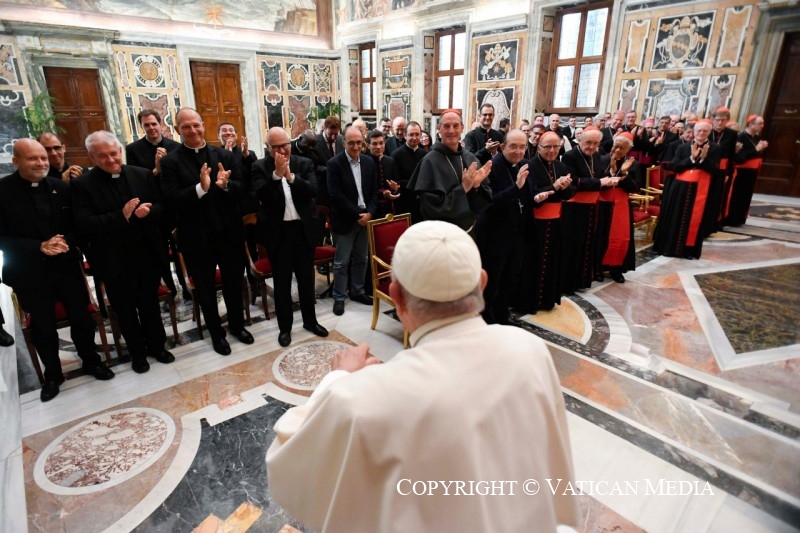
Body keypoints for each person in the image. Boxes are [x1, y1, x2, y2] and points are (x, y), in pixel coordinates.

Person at [266, 220, 577, 532]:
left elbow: (287, 466)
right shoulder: (530, 351)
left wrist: (337, 380)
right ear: (481, 283)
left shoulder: (362, 398)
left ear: (396, 297)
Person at [0, 139, 114, 401]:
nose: (41, 162)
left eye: (43, 158)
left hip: (65, 267)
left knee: (81, 319)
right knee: (43, 327)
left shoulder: (61, 188)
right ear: (16, 162)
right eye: (33, 158)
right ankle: (52, 374)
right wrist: (38, 246)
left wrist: (65, 242)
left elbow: (79, 225)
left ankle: (91, 361)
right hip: (29, 272)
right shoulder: (3, 191)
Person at [72, 131, 174, 373]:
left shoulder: (142, 174)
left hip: (146, 254)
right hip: (112, 259)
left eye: (114, 153)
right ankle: (138, 353)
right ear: (92, 157)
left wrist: (149, 211)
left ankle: (157, 346)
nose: (111, 160)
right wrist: (122, 216)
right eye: (103, 156)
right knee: (125, 309)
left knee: (149, 304)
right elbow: (84, 223)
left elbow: (162, 206)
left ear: (120, 151)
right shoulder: (82, 185)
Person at [159, 108, 254, 355]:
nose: (192, 131)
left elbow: (243, 189)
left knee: (234, 283)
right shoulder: (171, 161)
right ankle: (217, 333)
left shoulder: (224, 155)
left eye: (196, 125)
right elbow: (170, 198)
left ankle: (237, 326)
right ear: (177, 129)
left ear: (203, 125)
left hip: (229, 233)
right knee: (205, 289)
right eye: (186, 127)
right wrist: (200, 189)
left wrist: (226, 186)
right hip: (196, 238)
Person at [252, 127, 329, 347]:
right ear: (268, 148)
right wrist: (276, 175)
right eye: (276, 146)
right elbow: (260, 194)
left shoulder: (303, 163)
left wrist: (290, 177)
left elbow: (312, 190)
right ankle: (285, 328)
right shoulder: (260, 167)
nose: (282, 150)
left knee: (307, 281)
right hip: (279, 233)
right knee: (282, 284)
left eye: (285, 144)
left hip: (302, 231)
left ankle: (310, 321)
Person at [125, 109, 188, 300]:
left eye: (154, 123)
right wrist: (156, 169)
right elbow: (136, 182)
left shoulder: (176, 146)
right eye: (146, 125)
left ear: (161, 124)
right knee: (159, 251)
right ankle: (170, 288)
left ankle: (186, 287)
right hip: (151, 207)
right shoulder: (133, 150)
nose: (151, 128)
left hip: (174, 206)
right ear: (141, 127)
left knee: (181, 249)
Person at [474, 129, 532, 325]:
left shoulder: (524, 164)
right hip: (494, 234)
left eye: (522, 146)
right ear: (502, 147)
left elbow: (528, 197)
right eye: (513, 146)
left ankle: (502, 312)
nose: (518, 151)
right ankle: (485, 315)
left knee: (510, 276)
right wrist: (516, 187)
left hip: (517, 233)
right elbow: (491, 202)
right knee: (492, 278)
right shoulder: (493, 166)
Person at [514, 131, 573, 314]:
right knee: (531, 264)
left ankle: (547, 300)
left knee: (551, 262)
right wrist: (554, 187)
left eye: (556, 146)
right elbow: (530, 195)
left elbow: (570, 193)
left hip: (555, 222)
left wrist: (564, 188)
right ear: (538, 147)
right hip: (534, 223)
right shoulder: (529, 165)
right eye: (547, 147)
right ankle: (527, 302)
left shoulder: (561, 166)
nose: (552, 150)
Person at [409, 109, 492, 230]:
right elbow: (430, 207)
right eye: (446, 126)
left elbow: (482, 203)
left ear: (462, 128)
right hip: (441, 234)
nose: (451, 130)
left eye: (456, 126)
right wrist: (463, 188)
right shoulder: (429, 161)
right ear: (439, 128)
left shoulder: (470, 158)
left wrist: (476, 187)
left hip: (468, 230)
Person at [327, 126, 379, 316]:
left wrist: (370, 213)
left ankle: (357, 291)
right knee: (341, 262)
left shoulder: (369, 162)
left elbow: (374, 191)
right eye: (351, 143)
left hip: (366, 219)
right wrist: (358, 215)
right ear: (344, 143)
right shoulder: (334, 164)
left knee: (362, 258)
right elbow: (336, 195)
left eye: (359, 142)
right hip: (346, 220)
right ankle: (339, 296)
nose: (356, 146)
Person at [653, 120, 722, 259]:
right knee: (676, 218)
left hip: (701, 190)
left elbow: (715, 170)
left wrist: (703, 159)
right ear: (694, 131)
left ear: (710, 132)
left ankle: (687, 250)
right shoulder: (683, 147)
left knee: (693, 220)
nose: (701, 133)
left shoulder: (715, 148)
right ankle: (671, 248)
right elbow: (674, 166)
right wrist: (692, 158)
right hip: (680, 189)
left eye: (705, 131)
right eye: (699, 131)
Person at [560, 127, 609, 291]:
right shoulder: (569, 156)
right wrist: (600, 183)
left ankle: (581, 280)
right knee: (573, 245)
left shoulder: (596, 155)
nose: (592, 147)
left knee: (588, 244)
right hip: (574, 209)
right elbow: (573, 181)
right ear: (580, 140)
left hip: (591, 208)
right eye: (588, 143)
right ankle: (568, 283)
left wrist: (610, 177)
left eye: (596, 143)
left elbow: (599, 175)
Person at [595, 133, 641, 283]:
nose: (617, 150)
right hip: (603, 204)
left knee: (620, 238)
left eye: (622, 147)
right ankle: (598, 268)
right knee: (600, 236)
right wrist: (613, 171)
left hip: (621, 206)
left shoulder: (633, 164)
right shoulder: (602, 160)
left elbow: (634, 187)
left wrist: (624, 173)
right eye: (615, 146)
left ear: (628, 149)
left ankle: (616, 269)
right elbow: (597, 182)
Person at [724, 115, 768, 226]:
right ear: (751, 124)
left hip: (751, 173)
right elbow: (740, 157)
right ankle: (732, 219)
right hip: (741, 172)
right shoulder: (741, 137)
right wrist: (756, 149)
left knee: (746, 196)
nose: (762, 126)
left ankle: (740, 218)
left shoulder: (757, 138)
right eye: (760, 123)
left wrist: (760, 149)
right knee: (737, 196)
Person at [391, 121, 425, 216]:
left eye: (417, 134)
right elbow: (396, 181)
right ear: (405, 135)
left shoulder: (425, 154)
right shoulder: (396, 155)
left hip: (421, 204)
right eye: (411, 134)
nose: (414, 138)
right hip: (404, 203)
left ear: (421, 135)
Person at [367, 129, 400, 217]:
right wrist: (382, 194)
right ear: (368, 146)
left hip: (389, 208)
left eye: (381, 143)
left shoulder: (390, 161)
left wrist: (394, 189)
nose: (378, 147)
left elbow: (396, 184)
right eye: (374, 144)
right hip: (371, 209)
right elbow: (365, 189)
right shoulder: (365, 162)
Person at [313, 116, 345, 207]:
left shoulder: (340, 140)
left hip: (339, 189)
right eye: (331, 133)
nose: (333, 136)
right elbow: (313, 166)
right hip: (323, 189)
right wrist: (331, 170)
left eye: (336, 133)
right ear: (324, 128)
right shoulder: (315, 142)